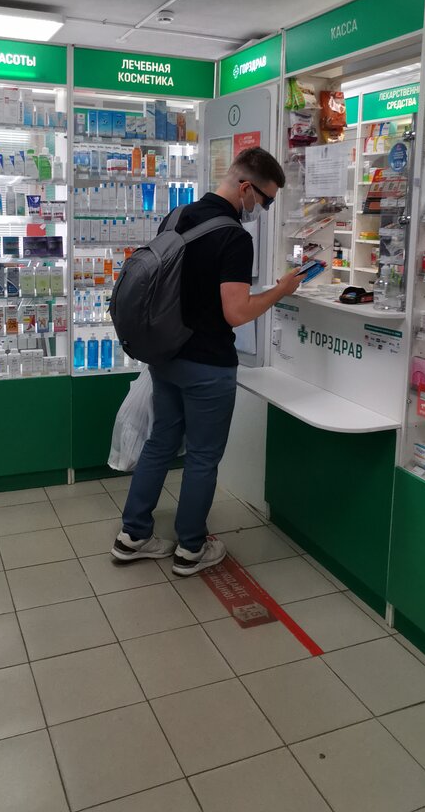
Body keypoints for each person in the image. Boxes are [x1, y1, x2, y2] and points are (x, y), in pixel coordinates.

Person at [111, 147, 304, 576]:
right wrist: (281, 290)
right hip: (208, 366)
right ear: (245, 187)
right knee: (202, 457)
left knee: (160, 443)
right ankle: (190, 548)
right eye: (265, 200)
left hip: (166, 355)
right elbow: (236, 312)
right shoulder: (234, 238)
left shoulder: (177, 216)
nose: (262, 210)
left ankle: (133, 535)